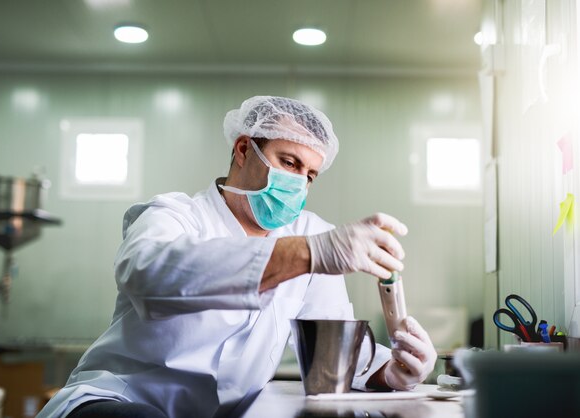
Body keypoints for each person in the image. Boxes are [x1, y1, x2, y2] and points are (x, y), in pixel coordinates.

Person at [37, 96, 437, 418]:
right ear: (244, 149)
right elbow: (146, 275)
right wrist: (310, 253)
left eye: (309, 175)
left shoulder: (312, 234)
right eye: (289, 162)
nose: (298, 183)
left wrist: (392, 370)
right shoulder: (174, 214)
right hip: (119, 402)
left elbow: (330, 351)